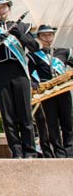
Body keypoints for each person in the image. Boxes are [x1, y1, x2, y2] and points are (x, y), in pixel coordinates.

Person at [0, 0, 38, 158]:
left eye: (3, 7)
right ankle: (16, 151)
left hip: (19, 71)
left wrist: (20, 34)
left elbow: (34, 47)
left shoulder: (22, 26)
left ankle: (30, 150)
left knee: (25, 113)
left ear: (9, 8)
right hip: (0, 71)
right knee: (8, 113)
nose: (0, 10)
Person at [28, 24, 73, 158]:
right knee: (52, 123)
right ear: (39, 38)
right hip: (48, 92)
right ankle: (59, 152)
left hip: (63, 91)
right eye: (44, 35)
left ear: (53, 36)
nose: (47, 38)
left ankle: (70, 150)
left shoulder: (64, 52)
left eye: (49, 35)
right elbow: (30, 74)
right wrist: (34, 83)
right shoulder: (34, 56)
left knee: (68, 121)